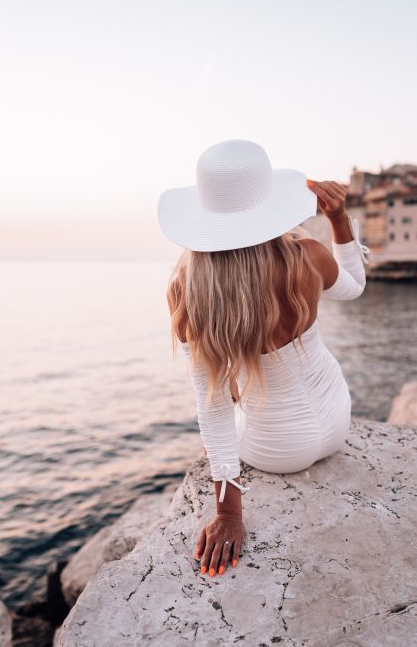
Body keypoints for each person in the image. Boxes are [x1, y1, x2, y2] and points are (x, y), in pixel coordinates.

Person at [158, 139, 369, 580]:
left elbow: (211, 409)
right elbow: (354, 286)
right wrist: (338, 219)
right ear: (267, 203)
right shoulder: (307, 256)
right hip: (337, 421)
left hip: (278, 452)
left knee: (227, 393)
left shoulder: (188, 290)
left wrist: (229, 514)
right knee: (247, 387)